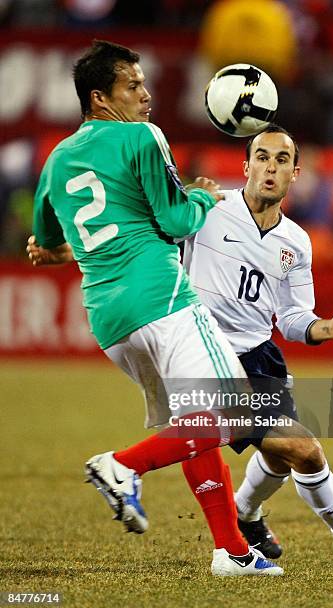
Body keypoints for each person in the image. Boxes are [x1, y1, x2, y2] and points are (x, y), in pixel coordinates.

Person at [27, 40, 284, 577]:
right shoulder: (142, 136)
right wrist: (202, 199)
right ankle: (121, 465)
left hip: (109, 320)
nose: (146, 95)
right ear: (100, 97)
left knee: (194, 423)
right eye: (132, 85)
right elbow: (176, 223)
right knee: (232, 411)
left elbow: (46, 242)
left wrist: (55, 252)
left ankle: (232, 552)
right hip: (161, 297)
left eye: (143, 83)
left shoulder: (56, 158)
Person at [183, 124, 333, 573]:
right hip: (209, 358)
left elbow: (293, 318)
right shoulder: (208, 212)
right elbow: (149, 238)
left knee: (278, 455)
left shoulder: (295, 242)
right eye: (261, 156)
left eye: (281, 160)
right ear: (246, 166)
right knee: (305, 450)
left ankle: (244, 515)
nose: (270, 167)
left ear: (296, 173)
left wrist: (324, 327)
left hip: (260, 356)